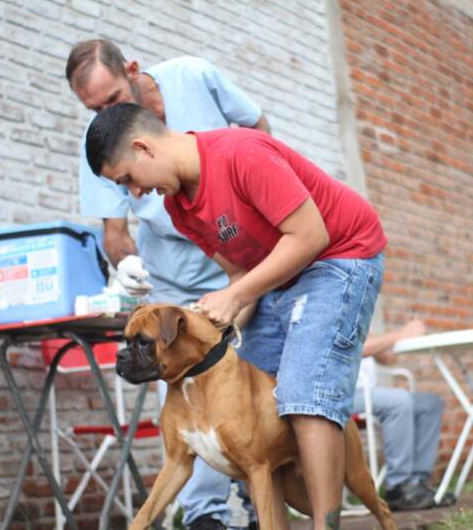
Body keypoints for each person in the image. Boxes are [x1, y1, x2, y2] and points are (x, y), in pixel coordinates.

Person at [85, 103, 387, 529]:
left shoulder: (241, 154)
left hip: (339, 255)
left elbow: (310, 235)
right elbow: (239, 272)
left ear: (143, 147)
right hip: (277, 275)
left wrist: (236, 295)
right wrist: (217, 319)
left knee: (301, 392)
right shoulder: (179, 207)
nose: (134, 194)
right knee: (251, 407)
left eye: (128, 180)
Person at [65, 39, 269, 530]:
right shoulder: (101, 142)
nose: (104, 115)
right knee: (184, 394)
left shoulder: (195, 75)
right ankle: (205, 517)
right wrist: (127, 265)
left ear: (133, 70)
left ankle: (265, 501)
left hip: (242, 260)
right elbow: (115, 233)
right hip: (176, 283)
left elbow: (259, 129)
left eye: (112, 99)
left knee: (254, 384)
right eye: (93, 109)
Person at [355, 321, 455, 511]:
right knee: (399, 401)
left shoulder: (356, 313)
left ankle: (416, 484)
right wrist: (401, 333)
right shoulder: (326, 306)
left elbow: (388, 359)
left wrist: (378, 341)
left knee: (429, 404)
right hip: (340, 394)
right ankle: (398, 488)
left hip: (368, 392)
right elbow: (354, 348)